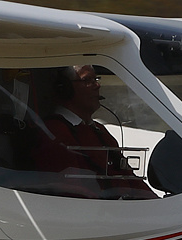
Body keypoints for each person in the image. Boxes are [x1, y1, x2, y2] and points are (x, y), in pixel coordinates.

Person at [33, 65, 154, 200]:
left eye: (96, 79)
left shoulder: (99, 129)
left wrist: (156, 203)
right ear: (65, 89)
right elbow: (72, 192)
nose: (97, 85)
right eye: (87, 80)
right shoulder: (54, 133)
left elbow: (129, 177)